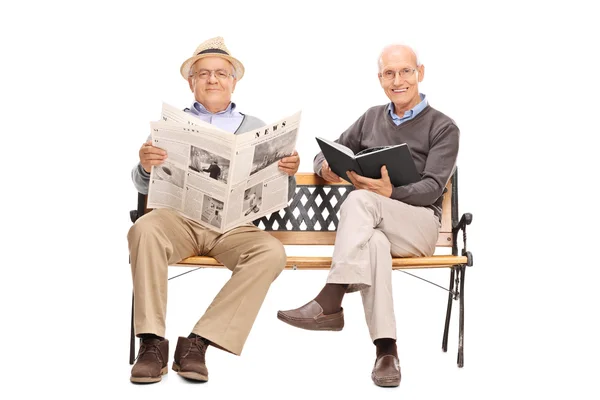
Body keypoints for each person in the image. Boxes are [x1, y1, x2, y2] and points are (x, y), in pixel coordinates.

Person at [277, 44, 459, 387]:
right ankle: (386, 352)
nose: (398, 79)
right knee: (373, 244)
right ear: (380, 79)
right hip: (374, 227)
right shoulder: (372, 118)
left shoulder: (443, 127)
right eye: (389, 73)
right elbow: (330, 150)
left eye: (405, 71)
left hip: (419, 227)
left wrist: (392, 193)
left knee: (362, 200)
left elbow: (434, 188)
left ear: (420, 73)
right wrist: (325, 167)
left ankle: (330, 299)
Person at [128, 36, 300, 384]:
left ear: (233, 81)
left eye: (220, 73)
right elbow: (143, 183)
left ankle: (198, 343)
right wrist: (145, 165)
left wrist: (287, 173)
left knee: (271, 252)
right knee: (143, 230)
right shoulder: (171, 125)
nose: (212, 79)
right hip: (179, 220)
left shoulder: (257, 128)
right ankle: (151, 344)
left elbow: (283, 194)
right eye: (203, 73)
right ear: (190, 81)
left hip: (233, 228)